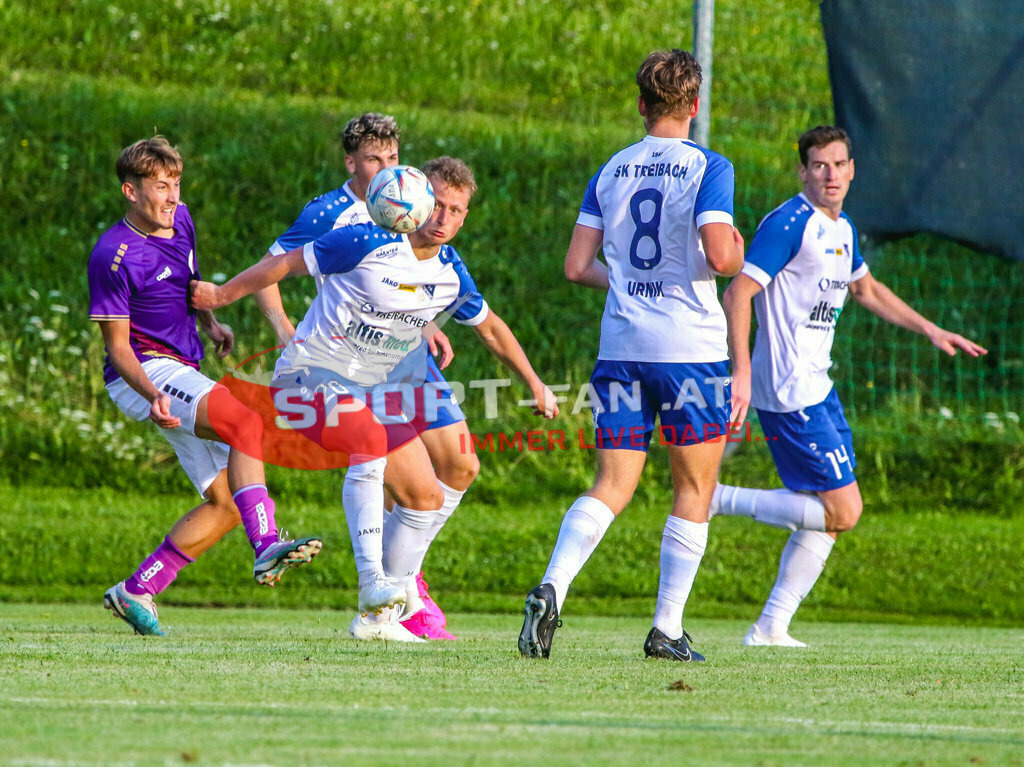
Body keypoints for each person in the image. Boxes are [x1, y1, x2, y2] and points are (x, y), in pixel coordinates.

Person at [190, 156, 559, 641]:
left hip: (372, 391)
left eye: (456, 210)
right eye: (438, 205)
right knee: (369, 435)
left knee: (425, 496)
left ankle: (377, 621)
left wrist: (534, 381)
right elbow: (281, 264)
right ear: (416, 202)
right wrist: (219, 297)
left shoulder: (450, 273)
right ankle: (373, 585)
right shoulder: (363, 240)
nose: (444, 218)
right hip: (308, 376)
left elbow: (489, 328)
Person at [717, 125, 987, 647]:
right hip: (791, 390)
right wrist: (743, 374)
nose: (830, 174)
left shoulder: (842, 229)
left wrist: (932, 329)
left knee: (827, 517)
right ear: (803, 171)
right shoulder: (790, 223)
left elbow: (866, 289)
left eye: (839, 164)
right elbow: (739, 293)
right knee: (845, 509)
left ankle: (771, 627)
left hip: (820, 385)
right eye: (819, 165)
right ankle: (715, 498)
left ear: (852, 169)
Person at [517, 49, 745, 662]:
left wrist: (625, 283)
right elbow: (722, 258)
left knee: (612, 483)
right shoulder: (708, 166)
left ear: (641, 105)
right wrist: (737, 251)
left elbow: (576, 267)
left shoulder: (611, 169)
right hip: (688, 352)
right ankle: (666, 629)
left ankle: (552, 587)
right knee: (694, 486)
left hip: (620, 349)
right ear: (694, 106)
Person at [252, 114, 477, 639]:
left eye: (393, 158)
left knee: (457, 469)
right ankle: (395, 594)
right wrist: (285, 331)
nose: (386, 168)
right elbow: (270, 271)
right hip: (341, 365)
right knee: (395, 474)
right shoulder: (329, 212)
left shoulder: (409, 200)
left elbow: (403, 282)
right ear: (351, 163)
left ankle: (395, 586)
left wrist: (420, 326)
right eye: (374, 159)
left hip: (401, 359)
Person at [89, 136, 322, 636]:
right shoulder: (111, 254)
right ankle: (266, 547)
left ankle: (137, 590)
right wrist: (152, 394)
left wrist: (210, 322)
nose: (171, 196)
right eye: (159, 186)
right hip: (145, 372)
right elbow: (119, 348)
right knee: (246, 423)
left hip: (179, 367)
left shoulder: (183, 219)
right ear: (130, 191)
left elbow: (187, 285)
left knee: (225, 502)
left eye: (175, 183)